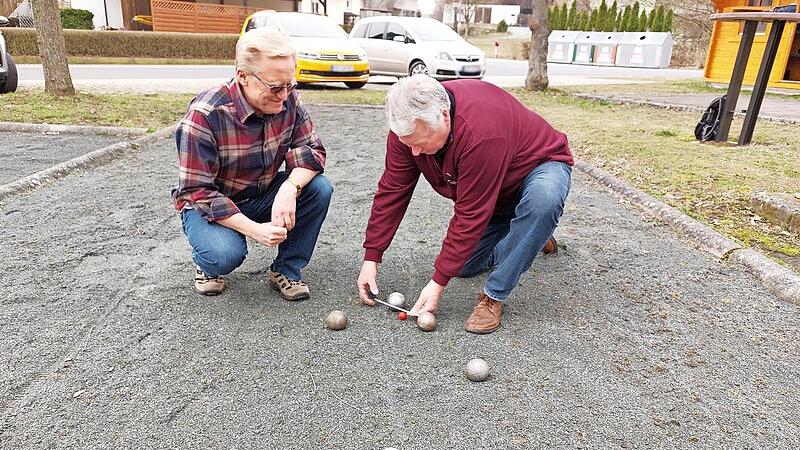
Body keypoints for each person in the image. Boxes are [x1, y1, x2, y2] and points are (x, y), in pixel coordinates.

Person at [357, 74, 573, 334]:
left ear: (444, 117)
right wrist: (372, 256)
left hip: (538, 168)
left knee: (543, 202)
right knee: (461, 265)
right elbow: (393, 190)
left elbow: (470, 215)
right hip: (492, 191)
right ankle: (532, 234)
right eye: (408, 144)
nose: (414, 152)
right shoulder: (407, 130)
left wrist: (436, 284)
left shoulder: (480, 132)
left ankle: (494, 295)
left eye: (420, 143)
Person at [172, 28, 333, 300]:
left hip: (262, 193)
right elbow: (198, 190)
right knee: (223, 255)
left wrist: (289, 188)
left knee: (319, 188)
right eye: (275, 87)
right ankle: (207, 265)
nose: (284, 96)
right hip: (211, 203)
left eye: (289, 85)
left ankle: (286, 268)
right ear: (243, 76)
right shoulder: (205, 116)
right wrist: (254, 230)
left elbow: (313, 151)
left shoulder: (288, 100)